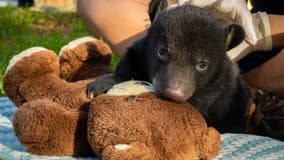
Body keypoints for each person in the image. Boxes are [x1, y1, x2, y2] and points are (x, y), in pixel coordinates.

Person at [77, 0, 284, 97]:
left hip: (255, 46)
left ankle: (257, 102)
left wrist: (260, 30)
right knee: (100, 3)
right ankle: (144, 79)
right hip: (226, 41)